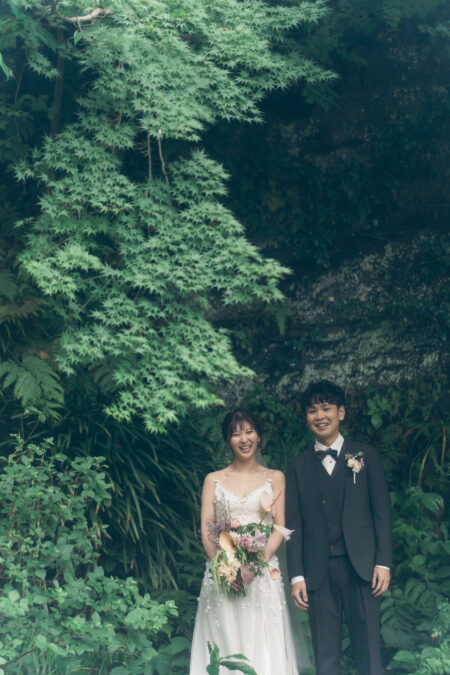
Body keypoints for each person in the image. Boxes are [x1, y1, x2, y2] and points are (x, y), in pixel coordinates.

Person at [286, 380, 392, 675]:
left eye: (326, 408)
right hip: (318, 573)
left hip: (363, 569)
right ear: (306, 417)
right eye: (312, 410)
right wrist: (297, 575)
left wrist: (383, 563)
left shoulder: (364, 456)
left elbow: (381, 514)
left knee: (369, 652)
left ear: (341, 413)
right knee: (326, 657)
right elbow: (293, 526)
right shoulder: (297, 466)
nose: (320, 416)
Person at [189, 409, 299, 675]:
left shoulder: (275, 477)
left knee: (262, 641)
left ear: (259, 436)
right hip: (222, 576)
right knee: (224, 639)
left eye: (249, 431)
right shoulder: (213, 480)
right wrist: (225, 568)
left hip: (262, 574)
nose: (244, 439)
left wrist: (256, 564)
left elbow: (279, 526)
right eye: (236, 434)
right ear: (228, 441)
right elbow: (207, 529)